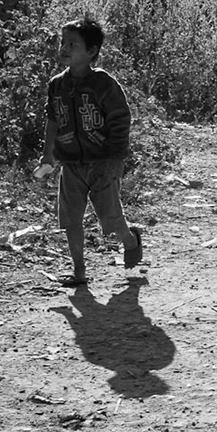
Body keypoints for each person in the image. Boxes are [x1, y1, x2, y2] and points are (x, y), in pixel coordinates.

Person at [42, 14, 142, 286]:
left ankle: (130, 239)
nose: (63, 48)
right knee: (70, 218)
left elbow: (121, 119)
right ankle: (79, 272)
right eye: (63, 42)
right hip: (71, 162)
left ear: (92, 52)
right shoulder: (57, 85)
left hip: (104, 162)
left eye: (72, 45)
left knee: (109, 217)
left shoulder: (104, 84)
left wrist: (115, 156)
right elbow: (52, 119)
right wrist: (48, 153)